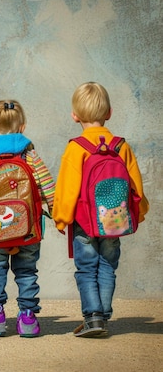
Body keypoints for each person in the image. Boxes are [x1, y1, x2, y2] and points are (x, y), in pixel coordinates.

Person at [52, 82, 149, 337]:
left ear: (75, 116)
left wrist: (61, 218)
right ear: (109, 113)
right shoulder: (121, 146)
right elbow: (136, 184)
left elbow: (67, 187)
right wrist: (138, 212)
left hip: (84, 221)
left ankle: (93, 317)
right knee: (108, 265)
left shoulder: (76, 148)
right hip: (114, 220)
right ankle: (103, 314)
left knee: (87, 268)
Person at [0, 100, 55, 337]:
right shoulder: (29, 152)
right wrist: (57, 212)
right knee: (27, 271)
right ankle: (27, 319)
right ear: (22, 126)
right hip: (29, 228)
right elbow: (46, 183)